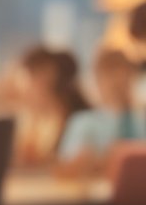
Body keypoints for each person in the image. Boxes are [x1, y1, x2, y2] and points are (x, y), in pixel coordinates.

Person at [56, 47, 144, 175]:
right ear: (98, 81)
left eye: (125, 80)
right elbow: (66, 167)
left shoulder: (141, 122)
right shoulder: (83, 122)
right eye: (111, 80)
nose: (119, 85)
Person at [13, 47, 89, 167]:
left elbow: (66, 162)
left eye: (29, 78)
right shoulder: (32, 119)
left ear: (47, 76)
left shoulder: (75, 121)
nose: (24, 88)